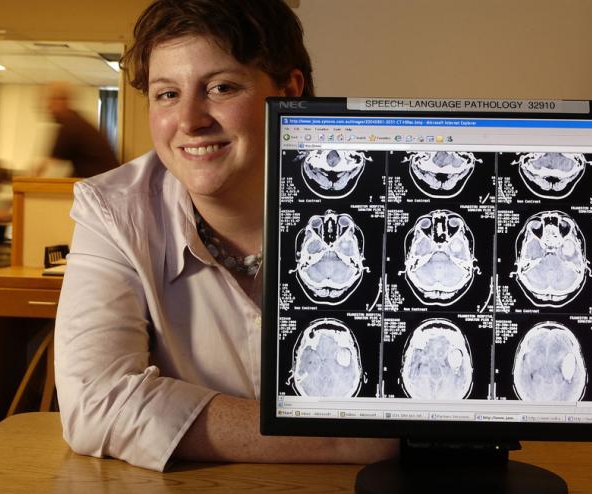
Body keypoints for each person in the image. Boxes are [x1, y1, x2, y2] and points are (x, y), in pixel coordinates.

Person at [54, 0, 397, 471]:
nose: (190, 120)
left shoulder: (387, 203)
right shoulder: (113, 211)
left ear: (290, 92)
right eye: (167, 94)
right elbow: (96, 403)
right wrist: (339, 440)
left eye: (221, 87)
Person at [36, 81, 119, 178]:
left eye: (50, 101)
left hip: (103, 184)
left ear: (62, 101)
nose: (48, 107)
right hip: (108, 181)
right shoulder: (77, 121)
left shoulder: (70, 125)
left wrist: (28, 181)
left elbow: (48, 164)